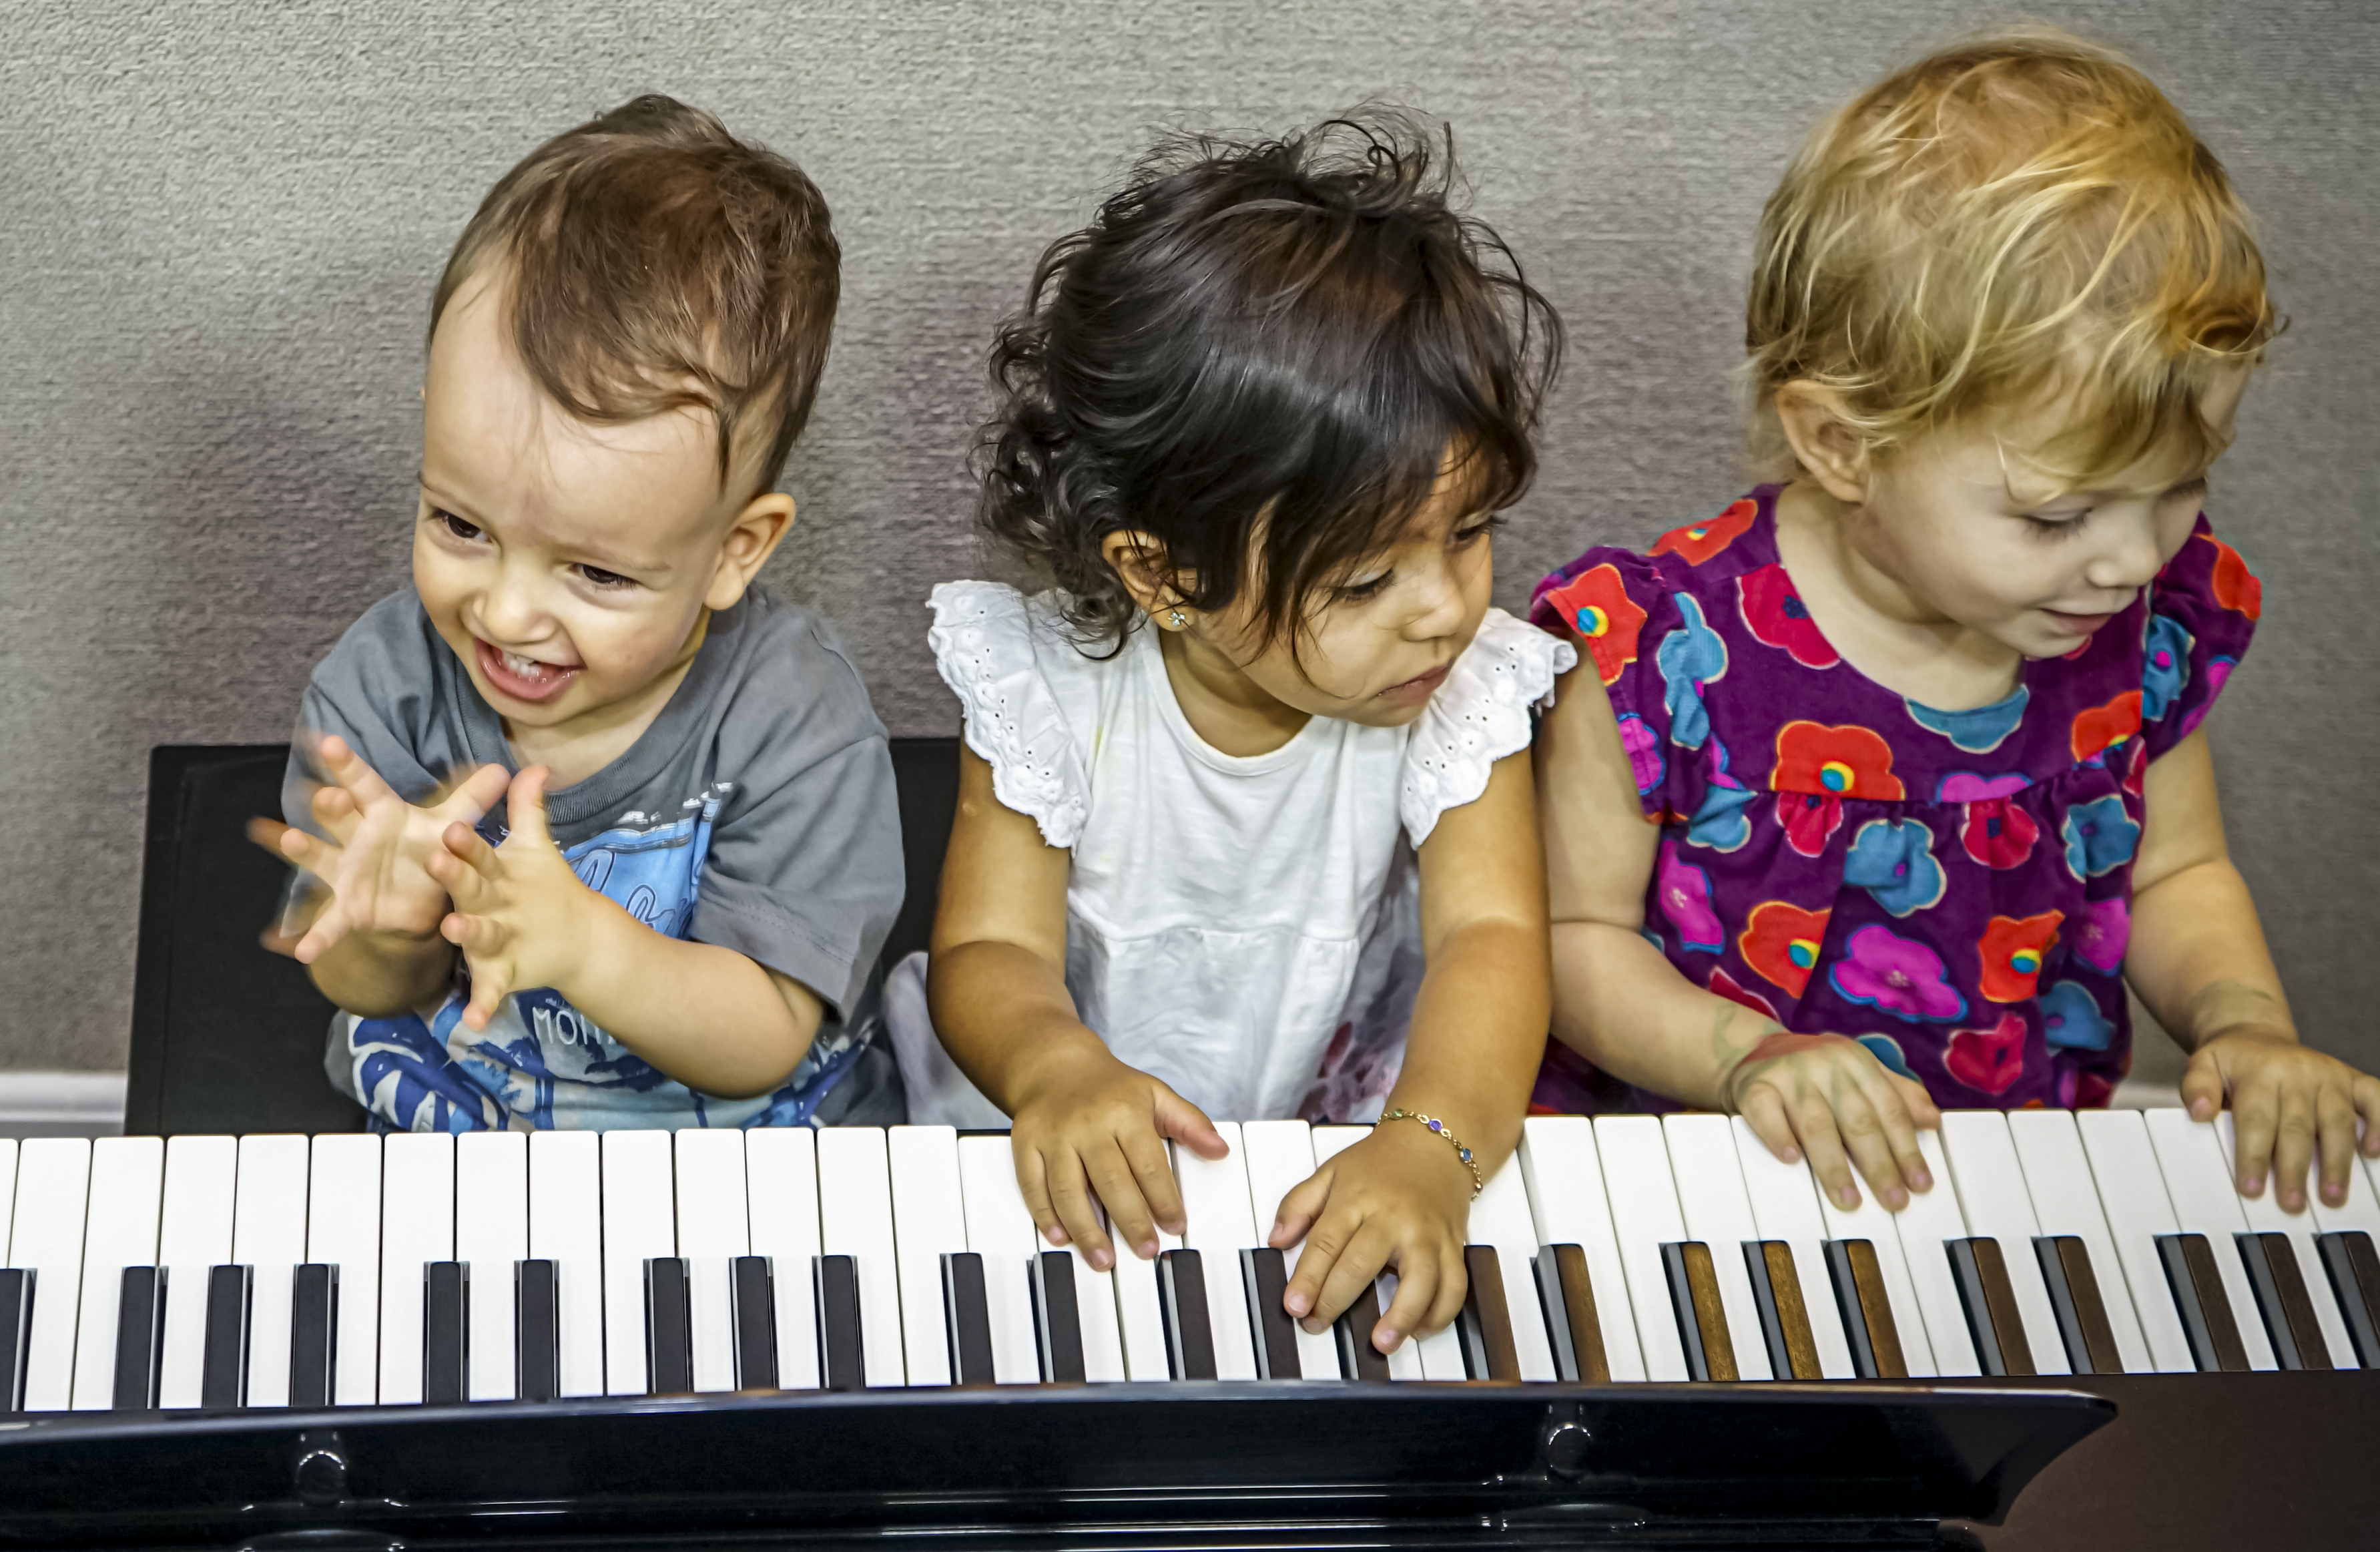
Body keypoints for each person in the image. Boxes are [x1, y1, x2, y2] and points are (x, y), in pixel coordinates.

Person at [1530, 31, 2380, 1218]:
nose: (2133, 557)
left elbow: (2176, 869)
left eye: (2183, 484)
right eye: (2055, 513)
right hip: (1689, 1188)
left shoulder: (2141, 625)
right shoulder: (1655, 654)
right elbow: (1567, 941)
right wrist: (1742, 1059)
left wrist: (2245, 1025)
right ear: (1840, 444)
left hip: (2003, 1179)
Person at [890, 118, 1566, 1352]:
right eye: (1365, 582)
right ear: (1163, 577)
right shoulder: (1052, 689)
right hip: (1055, 1110)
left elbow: (1495, 936)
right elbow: (987, 946)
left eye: (1469, 532)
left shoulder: (1462, 686)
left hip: (1325, 1117)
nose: (1444, 609)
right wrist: (1052, 1069)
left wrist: (1431, 1145)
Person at [254, 96, 904, 1131]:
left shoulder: (796, 719)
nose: (507, 613)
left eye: (597, 575)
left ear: (735, 549)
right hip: (477, 1098)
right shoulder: (383, 691)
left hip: (736, 1126)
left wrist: (589, 948)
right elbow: (369, 990)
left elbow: (767, 1034)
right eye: (461, 524)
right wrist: (382, 928)